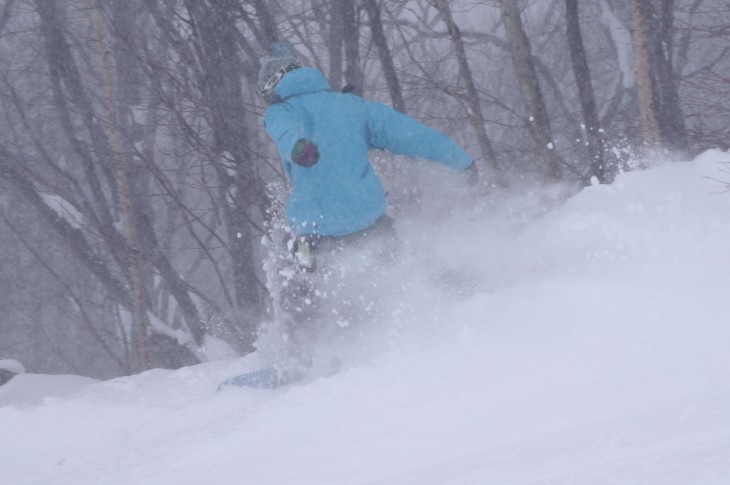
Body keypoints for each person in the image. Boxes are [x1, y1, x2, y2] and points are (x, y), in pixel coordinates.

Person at [251, 42, 475, 386]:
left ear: (272, 86)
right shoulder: (351, 106)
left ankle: (298, 362)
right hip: (369, 222)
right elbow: (410, 134)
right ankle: (445, 307)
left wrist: (299, 147)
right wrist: (460, 160)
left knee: (297, 287)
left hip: (315, 232)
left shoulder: (280, 112)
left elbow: (286, 135)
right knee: (396, 273)